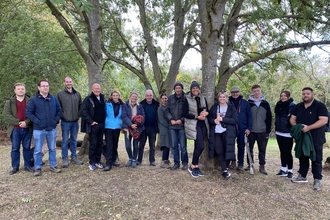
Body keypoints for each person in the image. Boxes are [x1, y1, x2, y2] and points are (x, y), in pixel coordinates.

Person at [290, 87, 328, 190]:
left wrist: (309, 128)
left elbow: (324, 120)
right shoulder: (298, 106)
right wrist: (297, 127)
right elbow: (292, 119)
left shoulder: (320, 106)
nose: (305, 95)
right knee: (302, 157)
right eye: (303, 94)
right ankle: (302, 176)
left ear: (312, 94)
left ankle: (317, 180)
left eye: (307, 94)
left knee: (316, 159)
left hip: (316, 138)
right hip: (302, 137)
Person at [26, 80, 62, 176]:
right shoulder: (33, 100)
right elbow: (29, 113)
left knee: (52, 149)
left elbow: (59, 111)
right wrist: (37, 121)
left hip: (52, 129)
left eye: (47, 86)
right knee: (38, 150)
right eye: (43, 86)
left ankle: (53, 166)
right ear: (39, 87)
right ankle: (37, 168)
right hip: (39, 129)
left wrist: (55, 121)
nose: (45, 87)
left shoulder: (53, 99)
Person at [3, 83, 33, 175]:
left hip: (27, 128)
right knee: (15, 148)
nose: (21, 90)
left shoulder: (30, 101)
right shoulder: (10, 102)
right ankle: (15, 167)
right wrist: (19, 122)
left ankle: (27, 165)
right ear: (15, 90)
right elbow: (7, 116)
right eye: (19, 89)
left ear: (25, 90)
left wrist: (26, 122)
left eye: (22, 89)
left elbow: (34, 114)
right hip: (15, 129)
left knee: (27, 148)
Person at [209, 91, 238, 179]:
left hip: (227, 132)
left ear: (226, 98)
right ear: (218, 98)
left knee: (227, 150)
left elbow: (235, 120)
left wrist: (222, 119)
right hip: (217, 132)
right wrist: (214, 121)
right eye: (220, 97)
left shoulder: (231, 108)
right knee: (219, 151)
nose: (222, 98)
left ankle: (225, 169)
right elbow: (209, 119)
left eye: (224, 97)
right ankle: (224, 170)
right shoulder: (214, 107)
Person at [183, 81, 209, 177]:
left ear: (199, 89)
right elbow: (184, 113)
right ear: (191, 89)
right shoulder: (187, 99)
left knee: (198, 146)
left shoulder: (202, 98)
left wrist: (206, 113)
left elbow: (207, 109)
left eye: (196, 88)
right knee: (201, 146)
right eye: (193, 88)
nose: (195, 89)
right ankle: (192, 166)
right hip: (194, 124)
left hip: (203, 124)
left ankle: (196, 166)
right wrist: (197, 117)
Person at [56, 76, 83, 168]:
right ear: (64, 83)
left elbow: (81, 106)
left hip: (75, 122)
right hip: (65, 122)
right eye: (67, 82)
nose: (69, 83)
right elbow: (58, 107)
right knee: (64, 141)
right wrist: (62, 116)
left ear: (73, 82)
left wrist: (78, 115)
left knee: (74, 140)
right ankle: (64, 158)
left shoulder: (77, 94)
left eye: (70, 81)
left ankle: (74, 156)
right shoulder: (60, 94)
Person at [80, 83, 106, 171]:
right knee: (93, 144)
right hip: (94, 125)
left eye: (98, 88)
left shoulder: (103, 98)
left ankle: (98, 161)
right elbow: (83, 111)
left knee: (99, 143)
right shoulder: (88, 99)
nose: (97, 90)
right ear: (92, 89)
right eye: (95, 88)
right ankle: (92, 162)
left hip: (102, 125)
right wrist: (91, 121)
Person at [247, 84, 272, 175]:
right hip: (251, 131)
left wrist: (267, 131)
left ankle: (262, 166)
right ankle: (250, 164)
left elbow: (269, 118)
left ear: (260, 91)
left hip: (262, 131)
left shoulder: (265, 104)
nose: (256, 93)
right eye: (255, 91)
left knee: (262, 149)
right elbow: (246, 117)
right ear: (252, 92)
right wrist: (247, 128)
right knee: (249, 149)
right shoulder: (248, 103)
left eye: (258, 91)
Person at [228, 86, 252, 172]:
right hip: (231, 128)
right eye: (233, 92)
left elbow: (249, 116)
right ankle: (232, 162)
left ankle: (240, 164)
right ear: (231, 93)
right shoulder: (228, 102)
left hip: (242, 128)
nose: (235, 94)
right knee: (230, 146)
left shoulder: (245, 103)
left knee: (241, 146)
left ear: (239, 92)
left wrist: (248, 128)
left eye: (236, 92)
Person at [166, 82, 188, 170]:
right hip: (172, 126)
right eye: (176, 88)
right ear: (174, 89)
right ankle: (176, 163)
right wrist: (171, 119)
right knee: (174, 146)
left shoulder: (185, 98)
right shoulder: (170, 98)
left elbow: (188, 111)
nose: (178, 89)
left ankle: (185, 163)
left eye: (179, 88)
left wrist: (181, 120)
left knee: (183, 146)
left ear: (182, 89)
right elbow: (167, 111)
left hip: (182, 126)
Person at [274, 90, 295, 179]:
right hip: (279, 131)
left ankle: (290, 171)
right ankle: (283, 169)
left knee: (287, 152)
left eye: (285, 96)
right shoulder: (278, 105)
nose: (283, 97)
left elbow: (294, 119)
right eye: (282, 95)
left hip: (288, 132)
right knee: (282, 151)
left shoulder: (293, 106)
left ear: (288, 97)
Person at [122, 91, 145, 168]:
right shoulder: (125, 105)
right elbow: (124, 116)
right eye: (133, 96)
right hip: (127, 128)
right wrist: (131, 124)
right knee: (128, 146)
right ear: (130, 97)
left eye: (135, 97)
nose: (134, 98)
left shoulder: (140, 106)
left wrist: (138, 123)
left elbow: (143, 116)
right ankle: (130, 158)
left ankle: (134, 159)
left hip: (137, 128)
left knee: (135, 145)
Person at [138, 90, 159, 166]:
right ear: (145, 96)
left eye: (150, 95)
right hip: (143, 127)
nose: (149, 97)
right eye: (147, 95)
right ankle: (139, 160)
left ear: (152, 96)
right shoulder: (141, 104)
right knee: (141, 145)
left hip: (153, 127)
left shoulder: (157, 104)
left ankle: (152, 160)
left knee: (152, 145)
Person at [104, 90, 124, 171]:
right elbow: (103, 114)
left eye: (117, 95)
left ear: (119, 96)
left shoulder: (122, 106)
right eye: (114, 95)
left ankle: (114, 160)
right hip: (108, 126)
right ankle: (108, 163)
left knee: (115, 144)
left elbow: (123, 116)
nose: (115, 97)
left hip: (117, 127)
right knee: (109, 145)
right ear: (111, 96)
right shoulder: (107, 104)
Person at [158, 94, 172, 168]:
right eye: (163, 98)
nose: (164, 100)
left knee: (168, 145)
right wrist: (170, 125)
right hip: (164, 128)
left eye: (165, 98)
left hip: (168, 129)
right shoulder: (160, 108)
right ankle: (163, 161)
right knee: (165, 145)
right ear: (161, 100)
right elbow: (161, 120)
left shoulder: (168, 107)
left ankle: (166, 160)